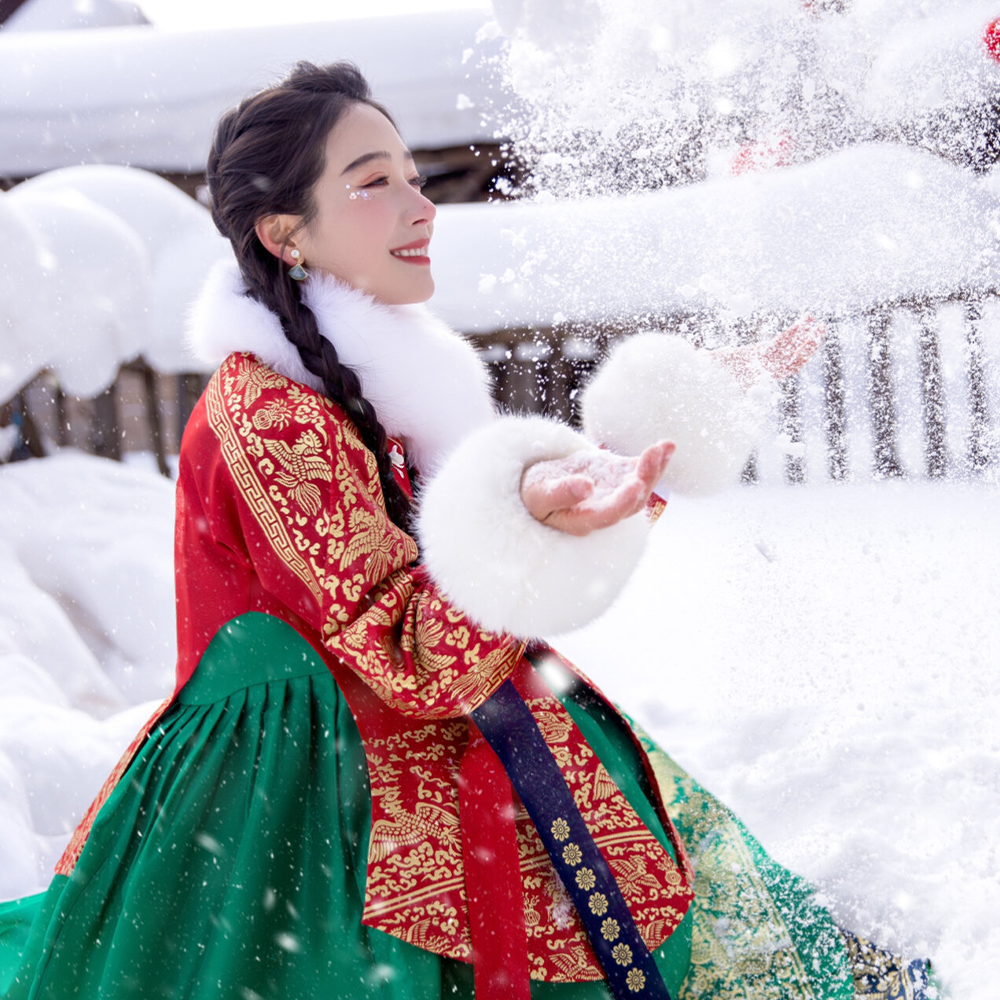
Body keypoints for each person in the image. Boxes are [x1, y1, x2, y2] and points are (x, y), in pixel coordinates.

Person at [0, 61, 935, 1000]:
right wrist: (526, 529)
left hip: (430, 748)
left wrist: (630, 451)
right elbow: (411, 653)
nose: (421, 203)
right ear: (287, 235)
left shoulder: (362, 388)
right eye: (374, 181)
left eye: (413, 174)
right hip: (293, 817)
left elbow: (473, 546)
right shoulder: (270, 413)